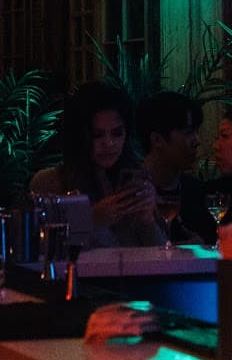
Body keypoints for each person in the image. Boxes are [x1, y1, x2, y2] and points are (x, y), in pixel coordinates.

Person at [30, 82, 162, 248]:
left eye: (117, 133)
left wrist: (148, 220)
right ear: (80, 136)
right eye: (97, 135)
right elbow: (42, 254)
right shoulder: (51, 182)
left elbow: (162, 257)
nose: (109, 143)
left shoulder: (134, 179)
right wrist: (88, 220)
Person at [135, 91, 212, 245]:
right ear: (157, 140)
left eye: (196, 132)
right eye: (188, 132)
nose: (197, 140)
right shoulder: (131, 191)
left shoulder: (196, 192)